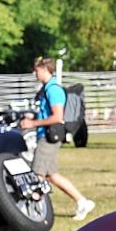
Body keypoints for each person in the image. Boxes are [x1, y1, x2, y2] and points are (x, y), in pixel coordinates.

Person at [20, 57, 95, 221]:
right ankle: (83, 202)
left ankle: (32, 213)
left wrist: (32, 123)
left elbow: (57, 117)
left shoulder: (53, 90)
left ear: (46, 70)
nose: (35, 73)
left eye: (37, 70)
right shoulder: (47, 89)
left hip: (48, 137)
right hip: (45, 135)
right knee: (51, 175)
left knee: (37, 175)